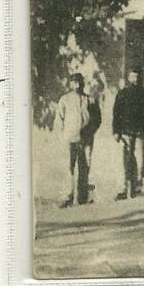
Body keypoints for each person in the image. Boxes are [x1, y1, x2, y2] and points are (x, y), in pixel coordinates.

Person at [112, 67, 144, 200]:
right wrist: (116, 131)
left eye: (137, 77)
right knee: (124, 161)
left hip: (140, 133)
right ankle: (123, 189)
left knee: (140, 160)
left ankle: (137, 187)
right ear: (128, 78)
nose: (135, 80)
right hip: (125, 132)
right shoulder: (122, 93)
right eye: (132, 77)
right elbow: (116, 113)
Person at [56, 73, 90, 208]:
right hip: (69, 138)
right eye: (74, 83)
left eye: (79, 82)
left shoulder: (87, 99)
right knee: (68, 167)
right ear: (71, 84)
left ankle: (81, 196)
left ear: (82, 84)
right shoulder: (65, 99)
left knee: (83, 166)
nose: (77, 85)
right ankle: (67, 196)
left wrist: (88, 132)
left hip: (83, 138)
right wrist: (63, 134)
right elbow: (59, 118)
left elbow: (90, 118)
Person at [78, 77, 101, 204]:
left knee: (87, 161)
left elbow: (97, 119)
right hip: (74, 136)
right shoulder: (74, 99)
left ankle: (85, 193)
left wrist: (90, 131)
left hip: (87, 136)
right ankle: (77, 193)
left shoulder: (92, 100)